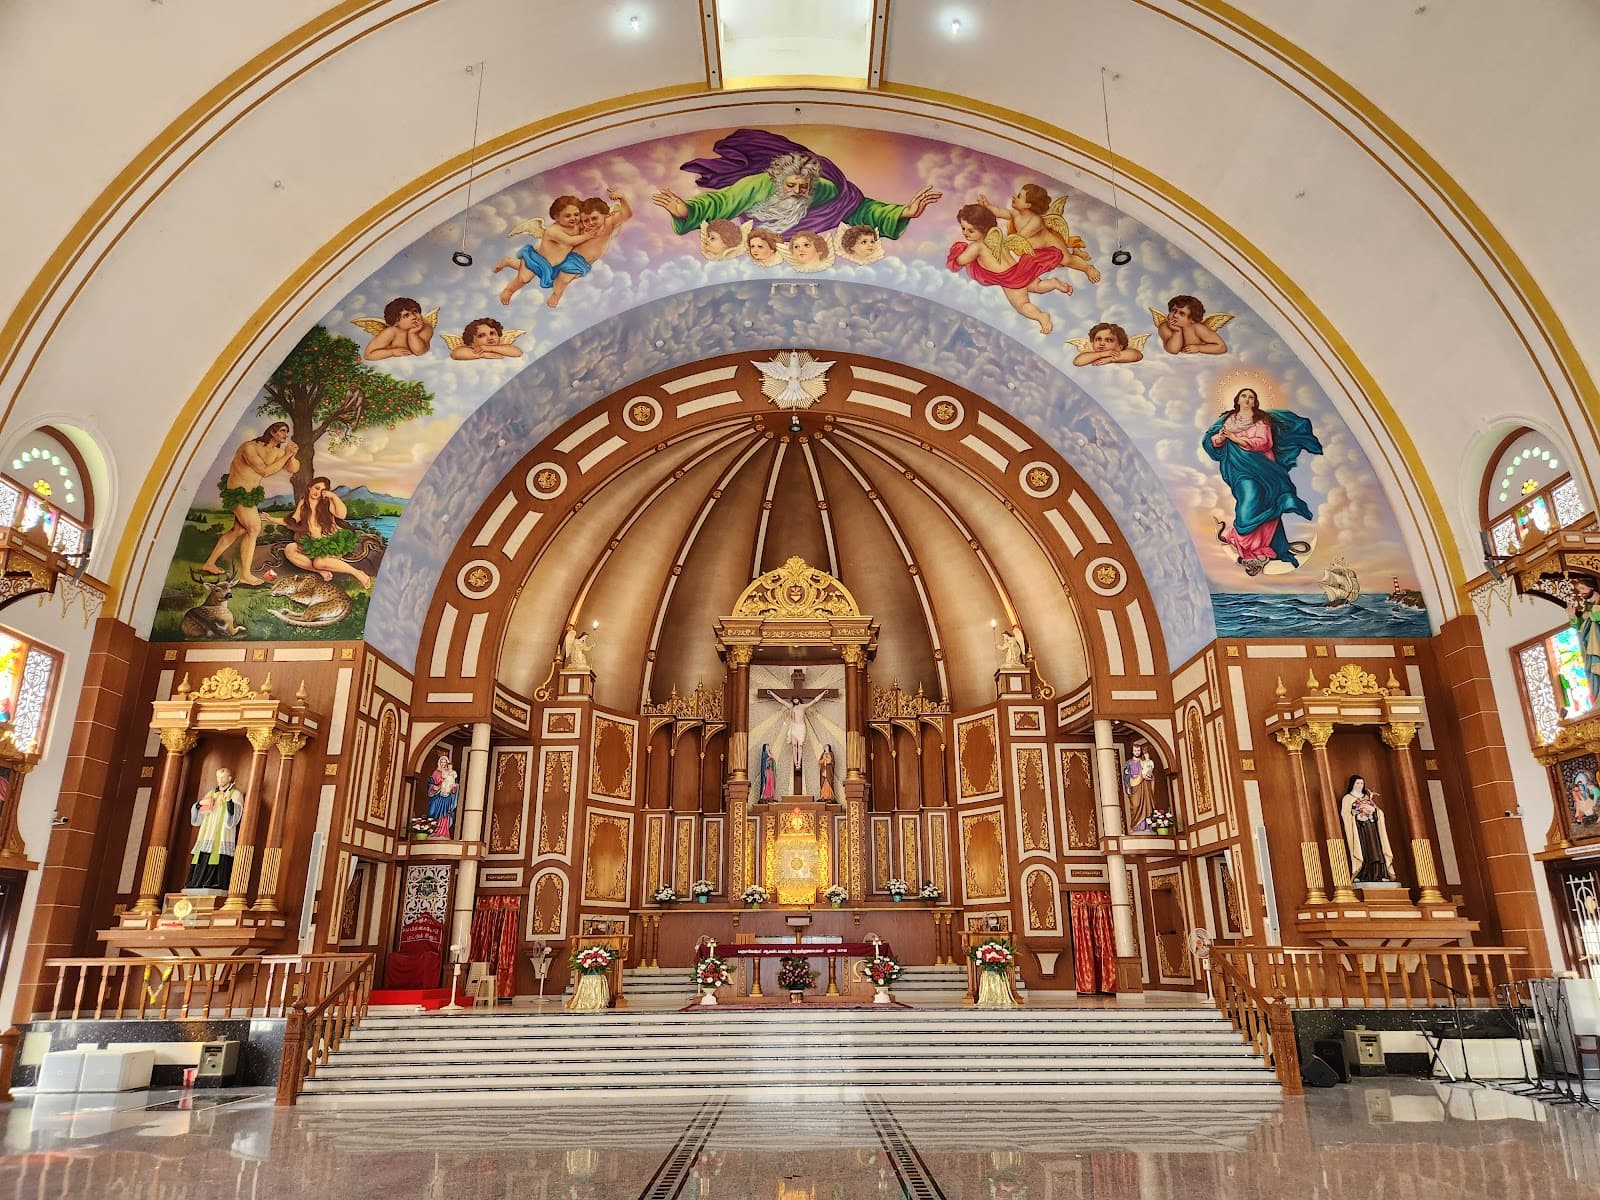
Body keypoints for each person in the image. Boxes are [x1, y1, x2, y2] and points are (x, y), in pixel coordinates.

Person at [651, 129, 939, 241]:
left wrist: (903, 212)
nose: (798, 192)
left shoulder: (823, 191)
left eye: (804, 186)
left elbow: (857, 208)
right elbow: (720, 203)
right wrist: (686, 211)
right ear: (778, 180)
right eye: (791, 185)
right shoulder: (755, 186)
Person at [1202, 387, 1323, 575]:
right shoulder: (1227, 420)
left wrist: (1237, 439)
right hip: (1239, 469)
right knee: (1248, 500)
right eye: (1244, 396)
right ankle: (1245, 544)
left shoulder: (1261, 420)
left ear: (1255, 401)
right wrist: (1220, 438)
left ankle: (1258, 547)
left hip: (1263, 469)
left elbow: (1264, 442)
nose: (1248, 399)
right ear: (1238, 399)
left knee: (1264, 503)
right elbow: (1213, 442)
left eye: (1251, 397)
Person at [199, 422, 301, 585]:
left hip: (250, 494)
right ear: (272, 432)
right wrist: (286, 455)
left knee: (238, 530)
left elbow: (294, 469)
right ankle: (246, 575)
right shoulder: (250, 447)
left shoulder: (277, 452)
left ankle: (209, 563)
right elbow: (265, 471)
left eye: (287, 432)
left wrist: (291, 455)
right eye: (282, 431)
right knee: (254, 528)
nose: (285, 435)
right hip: (237, 492)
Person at [947, 203, 1072, 335]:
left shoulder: (976, 247)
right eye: (963, 228)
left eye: (970, 230)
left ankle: (1041, 316)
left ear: (983, 229)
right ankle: (1053, 283)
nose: (965, 233)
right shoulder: (997, 236)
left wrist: (957, 252)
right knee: (1038, 286)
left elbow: (961, 261)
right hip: (1019, 269)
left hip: (1010, 279)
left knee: (1022, 305)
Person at [979, 185, 1100, 282]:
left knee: (1067, 261)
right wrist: (987, 206)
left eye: (1019, 196)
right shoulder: (1015, 214)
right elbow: (999, 212)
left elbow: (1021, 237)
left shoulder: (1035, 221)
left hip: (1051, 245)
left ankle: (1088, 268)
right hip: (1036, 251)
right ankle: (1077, 252)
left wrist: (1000, 243)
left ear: (1028, 205)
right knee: (1058, 265)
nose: (1014, 197)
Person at [494, 195, 590, 305]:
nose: (573, 218)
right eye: (567, 216)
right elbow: (570, 241)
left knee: (529, 270)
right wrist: (589, 236)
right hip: (537, 259)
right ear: (556, 217)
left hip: (552, 266)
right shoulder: (552, 230)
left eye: (576, 214)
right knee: (524, 278)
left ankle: (508, 261)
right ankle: (509, 290)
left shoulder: (578, 227)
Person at [547, 191, 633, 307]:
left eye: (594, 218)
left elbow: (627, 214)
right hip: (575, 258)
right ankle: (556, 295)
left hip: (586, 265)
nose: (590, 223)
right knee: (564, 279)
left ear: (605, 215)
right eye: (586, 220)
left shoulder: (608, 223)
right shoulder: (583, 227)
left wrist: (622, 198)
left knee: (565, 278)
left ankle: (555, 283)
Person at [282, 476, 371, 587]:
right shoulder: (303, 504)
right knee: (289, 549)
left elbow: (342, 515)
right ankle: (319, 571)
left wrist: (333, 497)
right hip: (314, 543)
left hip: (332, 542)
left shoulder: (326, 502)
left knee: (319, 562)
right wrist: (272, 519)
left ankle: (357, 573)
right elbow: (293, 520)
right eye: (316, 488)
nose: (317, 492)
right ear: (309, 487)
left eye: (322, 490)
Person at [185, 767, 244, 891]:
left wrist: (228, 801)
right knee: (202, 854)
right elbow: (199, 810)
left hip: (222, 831)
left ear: (229, 779)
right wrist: (200, 804)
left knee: (218, 854)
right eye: (218, 777)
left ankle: (214, 882)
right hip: (208, 830)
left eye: (223, 777)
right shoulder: (211, 793)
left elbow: (235, 816)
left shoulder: (235, 794)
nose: (220, 780)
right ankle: (197, 881)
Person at [1340, 776, 1395, 883]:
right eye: (1357, 783)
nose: (1360, 786)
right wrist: (1357, 817)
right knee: (1364, 851)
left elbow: (1378, 813)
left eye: (1361, 783)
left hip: (1372, 829)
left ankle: (1380, 874)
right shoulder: (1348, 798)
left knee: (1376, 850)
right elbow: (1345, 814)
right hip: (1360, 831)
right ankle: (1362, 874)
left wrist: (1373, 810)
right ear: (1352, 784)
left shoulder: (1366, 798)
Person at [767, 690, 825, 780]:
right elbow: (781, 701)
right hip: (794, 727)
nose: (795, 701)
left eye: (796, 699)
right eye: (793, 700)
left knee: (800, 745)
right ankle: (796, 762)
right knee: (794, 745)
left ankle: (799, 761)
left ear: (799, 699)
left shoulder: (803, 707)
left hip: (801, 727)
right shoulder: (791, 707)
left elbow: (815, 700)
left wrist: (823, 693)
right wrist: (772, 694)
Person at [360, 297, 434, 360]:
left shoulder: (425, 327)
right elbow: (368, 355)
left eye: (415, 311)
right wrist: (392, 352)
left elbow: (419, 351)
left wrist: (412, 333)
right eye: (406, 315)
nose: (414, 317)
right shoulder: (391, 332)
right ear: (396, 323)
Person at [1158, 294, 1227, 355]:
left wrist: (1199, 348)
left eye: (1182, 314)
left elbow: (1222, 347)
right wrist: (1177, 331)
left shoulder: (1198, 328)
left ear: (1192, 319)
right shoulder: (1164, 327)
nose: (1175, 315)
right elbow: (1173, 350)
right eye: (1174, 310)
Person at [1569, 573, 1600, 703]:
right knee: (1591, 670)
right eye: (1579, 590)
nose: (1580, 592)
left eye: (1582, 589)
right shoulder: (1588, 608)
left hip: (1597, 642)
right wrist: (1572, 616)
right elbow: (1581, 626)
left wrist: (1593, 611)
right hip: (1590, 644)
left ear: (1591, 588)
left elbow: (1596, 617)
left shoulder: (1596, 605)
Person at [1072, 321, 1143, 367]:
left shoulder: (1119, 353)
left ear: (1120, 347)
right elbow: (1077, 362)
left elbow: (1137, 355)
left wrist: (1111, 359)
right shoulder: (1091, 354)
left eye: (1109, 340)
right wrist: (1102, 354)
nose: (1102, 343)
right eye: (1098, 339)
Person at [450, 317, 523, 361]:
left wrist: (488, 348)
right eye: (481, 335)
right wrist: (482, 354)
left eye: (492, 333)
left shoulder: (502, 347)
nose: (489, 338)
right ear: (472, 342)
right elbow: (455, 353)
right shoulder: (473, 349)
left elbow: (518, 352)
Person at [1124, 743, 1157, 831]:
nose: (1137, 752)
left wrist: (1148, 775)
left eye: (1138, 750)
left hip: (1145, 786)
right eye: (1135, 750)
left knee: (1147, 805)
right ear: (1132, 751)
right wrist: (1129, 786)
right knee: (1135, 806)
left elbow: (1151, 774)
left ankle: (1147, 826)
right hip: (1135, 787)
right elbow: (1126, 776)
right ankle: (1136, 827)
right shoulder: (1129, 763)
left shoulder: (1144, 762)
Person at [428, 752, 459, 839]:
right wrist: (435, 787)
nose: (443, 764)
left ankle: (444, 832)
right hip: (438, 796)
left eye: (445, 762)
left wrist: (454, 788)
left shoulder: (450, 773)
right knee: (434, 812)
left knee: (445, 814)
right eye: (441, 762)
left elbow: (454, 785)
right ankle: (435, 830)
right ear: (439, 763)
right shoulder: (436, 772)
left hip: (447, 796)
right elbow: (431, 784)